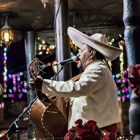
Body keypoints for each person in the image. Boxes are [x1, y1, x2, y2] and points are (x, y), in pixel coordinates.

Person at [29, 27, 122, 139]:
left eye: (82, 50)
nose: (78, 54)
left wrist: (44, 85)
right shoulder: (96, 69)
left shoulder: (98, 69)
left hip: (95, 132)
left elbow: (78, 88)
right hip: (90, 131)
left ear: (92, 54)